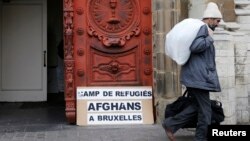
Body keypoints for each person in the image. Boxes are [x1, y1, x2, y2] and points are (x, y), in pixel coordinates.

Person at [162, 2, 222, 141]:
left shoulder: (200, 28)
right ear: (210, 18)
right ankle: (200, 138)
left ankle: (171, 124)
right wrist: (209, 38)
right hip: (199, 78)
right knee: (205, 110)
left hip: (193, 76)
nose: (218, 24)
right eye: (217, 21)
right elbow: (196, 47)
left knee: (197, 106)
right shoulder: (203, 29)